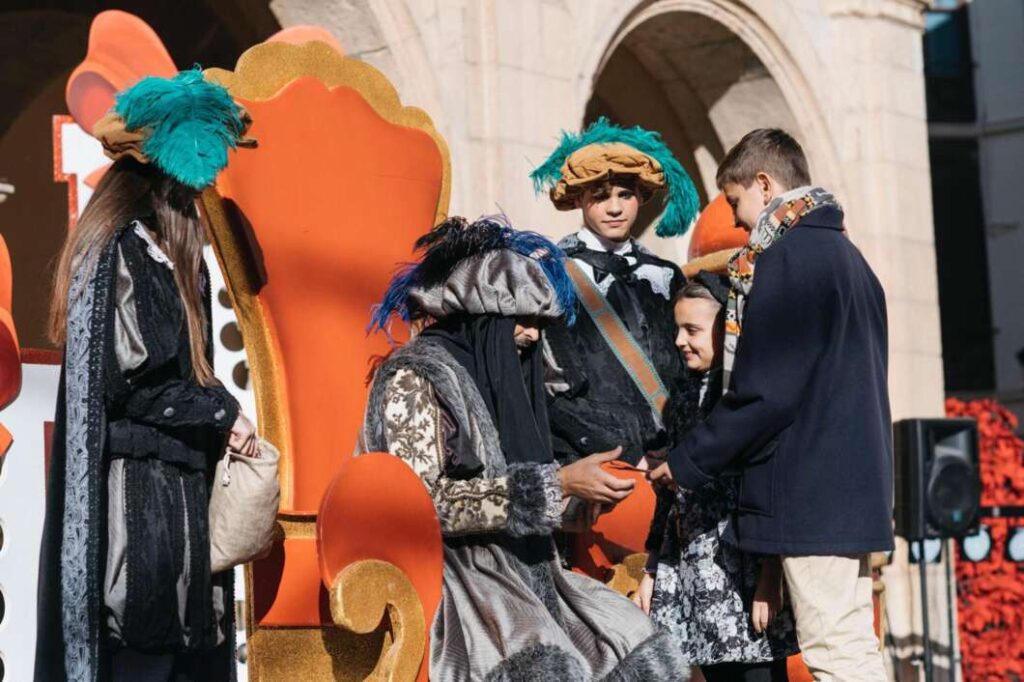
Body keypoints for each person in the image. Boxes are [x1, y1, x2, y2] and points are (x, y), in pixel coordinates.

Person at [359, 215, 686, 680]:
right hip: (459, 578)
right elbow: (421, 504)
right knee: (546, 664)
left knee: (631, 640)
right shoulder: (416, 377)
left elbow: (522, 487)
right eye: (523, 320)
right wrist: (556, 484)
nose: (533, 336)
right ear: (484, 315)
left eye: (540, 323)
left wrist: (576, 504)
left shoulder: (500, 376)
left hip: (533, 572)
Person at [647, 129, 893, 680]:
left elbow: (766, 393)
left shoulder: (787, 259)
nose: (737, 222)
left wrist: (686, 462)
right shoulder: (852, 261)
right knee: (852, 644)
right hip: (854, 486)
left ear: (764, 184)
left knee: (835, 650)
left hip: (812, 490)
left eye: (735, 201)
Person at [37, 69, 256, 681]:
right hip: (136, 507)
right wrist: (223, 412)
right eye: (192, 193)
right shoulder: (121, 251)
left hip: (178, 495)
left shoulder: (169, 258)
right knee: (141, 655)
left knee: (178, 658)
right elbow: (130, 383)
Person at [635, 273, 798, 681]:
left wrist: (770, 574)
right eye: (677, 329)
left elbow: (770, 481)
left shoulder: (748, 397)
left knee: (759, 671)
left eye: (692, 330)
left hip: (743, 567)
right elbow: (669, 493)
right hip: (694, 571)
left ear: (727, 328)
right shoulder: (682, 396)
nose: (679, 341)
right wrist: (653, 568)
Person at [529, 117, 701, 467]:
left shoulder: (666, 275)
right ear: (578, 199)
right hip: (595, 465)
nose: (615, 208)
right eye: (600, 196)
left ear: (642, 196)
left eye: (625, 195)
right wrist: (622, 453)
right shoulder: (549, 273)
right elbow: (545, 386)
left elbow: (689, 373)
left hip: (673, 462)